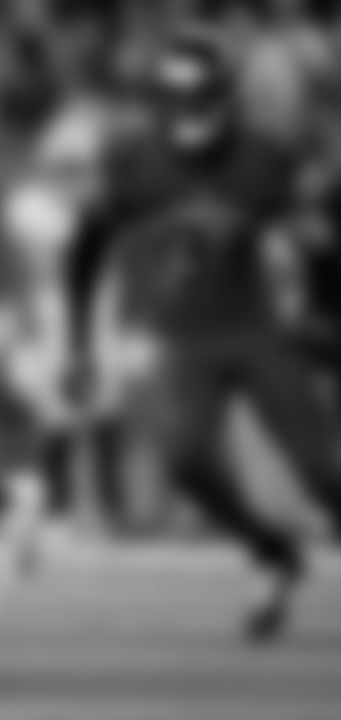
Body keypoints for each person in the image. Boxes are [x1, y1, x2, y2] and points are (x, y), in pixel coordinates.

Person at [83, 36, 341, 643]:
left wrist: (319, 298)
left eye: (198, 94)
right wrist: (80, 333)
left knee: (321, 471)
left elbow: (313, 238)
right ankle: (271, 551)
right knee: (185, 460)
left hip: (256, 329)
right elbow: (87, 244)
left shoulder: (267, 156)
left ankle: (283, 548)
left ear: (225, 95)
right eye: (172, 96)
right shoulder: (129, 159)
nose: (186, 108)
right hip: (181, 337)